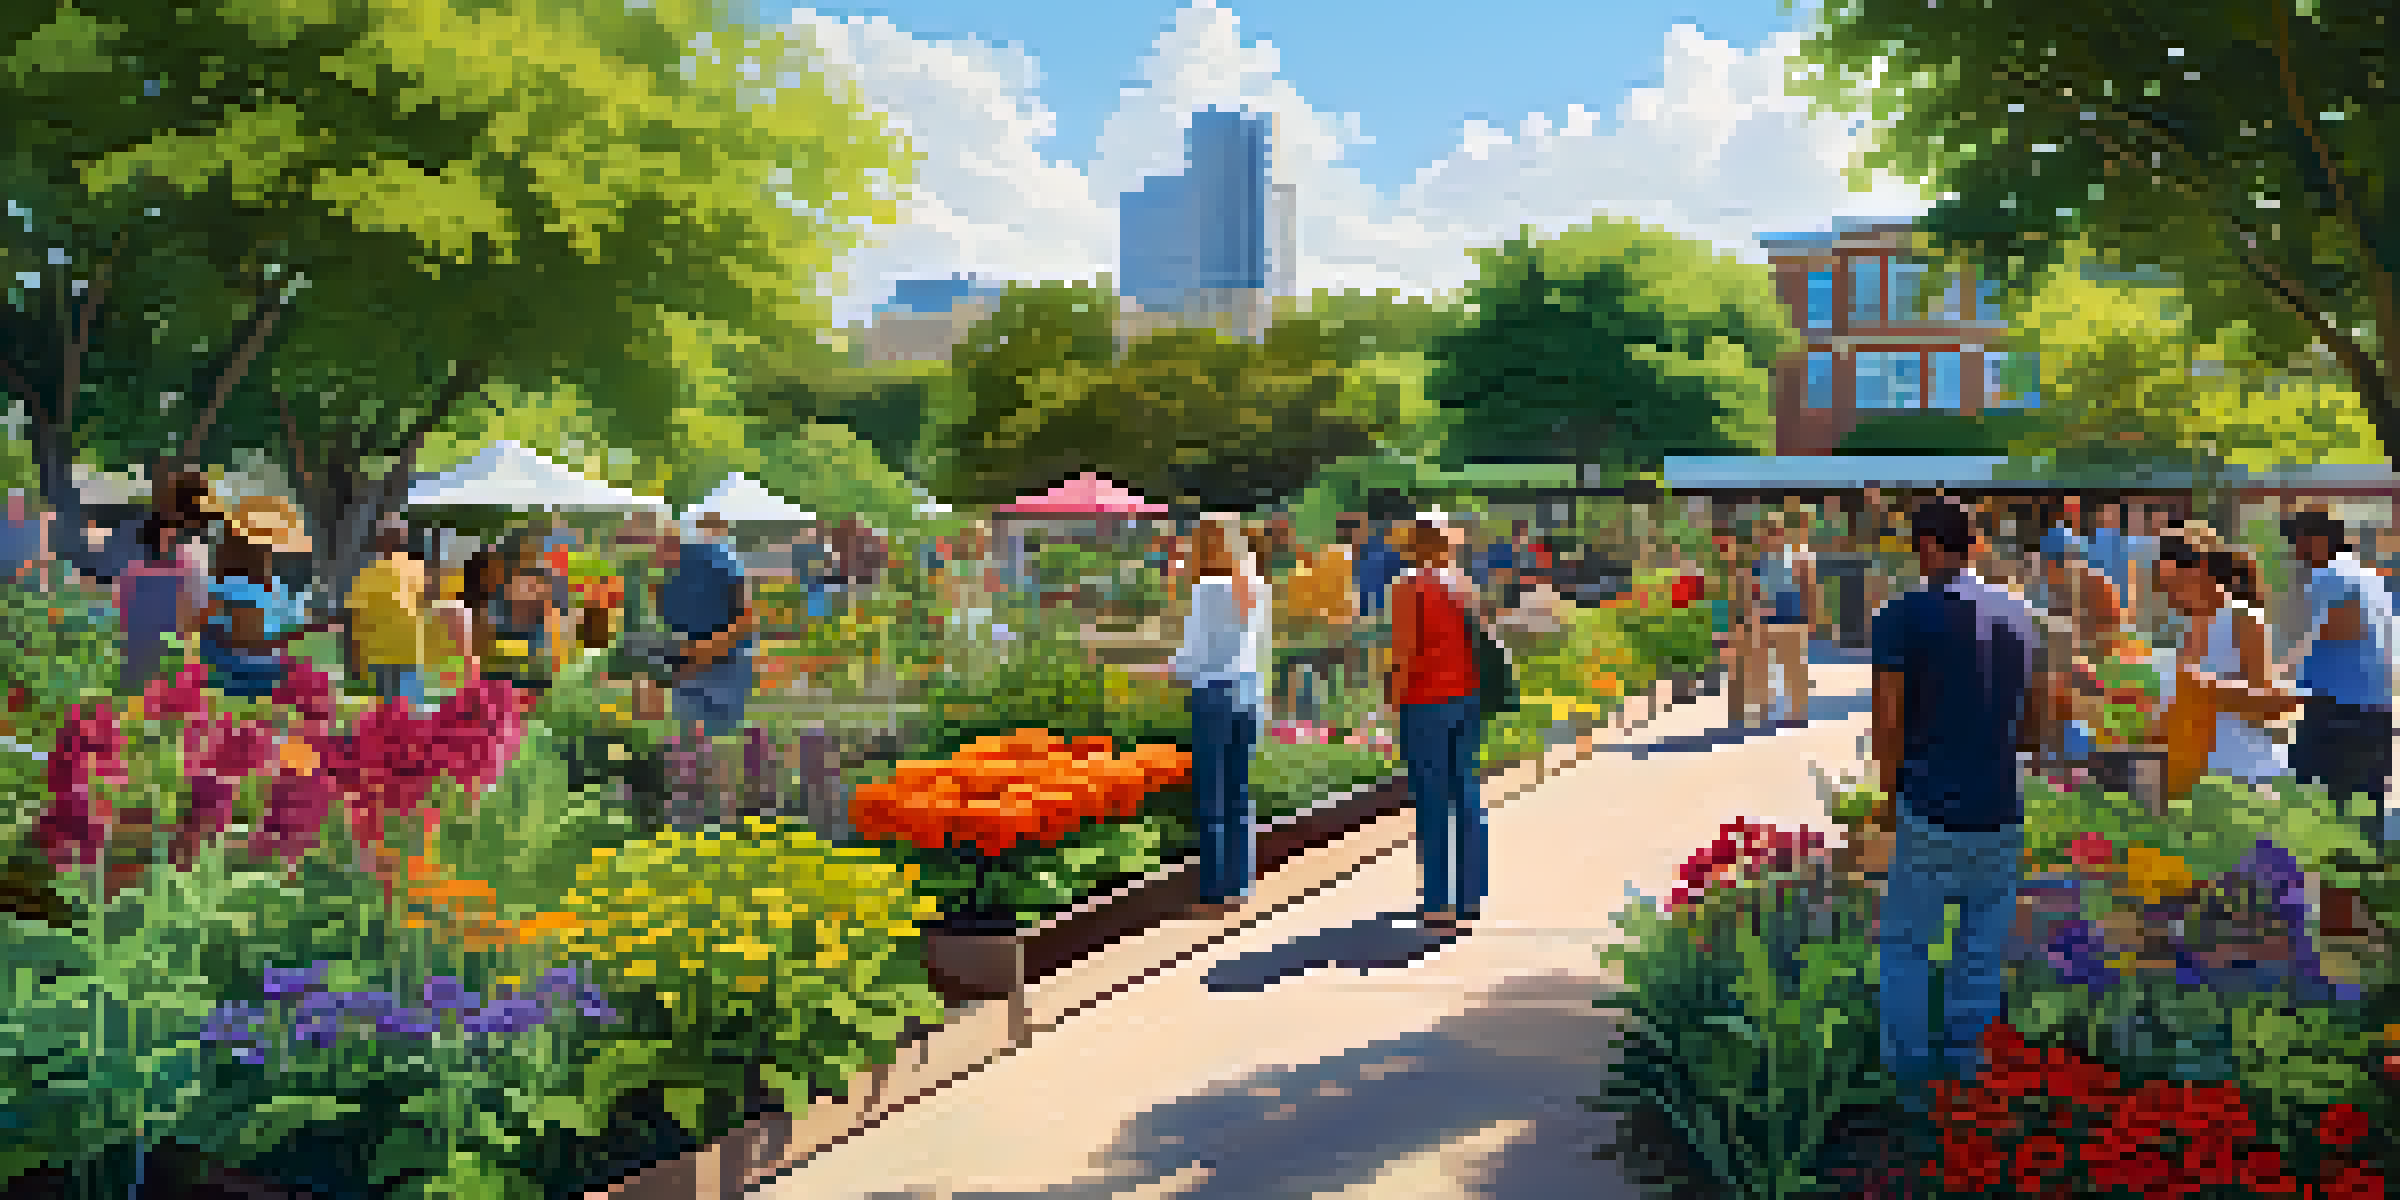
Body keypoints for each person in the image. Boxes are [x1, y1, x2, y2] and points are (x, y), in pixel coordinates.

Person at [1871, 496, 2045, 1109]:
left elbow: (1887, 723)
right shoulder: (2021, 615)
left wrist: (1886, 797)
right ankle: (1971, 1087)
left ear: (1923, 547)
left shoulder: (1902, 615)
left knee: (1906, 948)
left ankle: (1911, 1088)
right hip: (2000, 805)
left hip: (1928, 802)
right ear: (1972, 544)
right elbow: (2032, 729)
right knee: (1980, 952)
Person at [1387, 514, 1488, 933]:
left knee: (1431, 797)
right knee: (1465, 792)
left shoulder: (1408, 586)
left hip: (1426, 700)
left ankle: (1436, 901)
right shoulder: (1464, 585)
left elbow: (1406, 651)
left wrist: (1392, 699)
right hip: (1466, 696)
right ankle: (1470, 896)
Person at [1167, 515, 1270, 920]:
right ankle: (1240, 885)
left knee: (1211, 795)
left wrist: (1167, 669)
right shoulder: (1257, 586)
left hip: (1214, 694)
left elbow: (1195, 655)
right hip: (1249, 692)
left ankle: (1214, 891)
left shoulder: (1206, 589)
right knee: (1239, 793)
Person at [2151, 525, 2299, 797]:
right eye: (2164, 585)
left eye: (2174, 583)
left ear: (2202, 572)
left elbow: (2269, 708)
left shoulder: (2243, 620)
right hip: (2195, 783)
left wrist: (2209, 690)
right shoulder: (2183, 630)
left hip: (2244, 780)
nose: (2169, 595)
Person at [2280, 508, 2397, 839]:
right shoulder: (2369, 576)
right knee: (2363, 814)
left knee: (2310, 811)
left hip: (2335, 711)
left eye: (2295, 543)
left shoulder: (2327, 576)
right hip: (2376, 708)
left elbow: (2338, 629)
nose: (2293, 553)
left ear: (2315, 542)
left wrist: (2284, 672)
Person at [196, 496, 336, 699]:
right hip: (264, 671)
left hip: (221, 668)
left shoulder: (213, 586)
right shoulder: (274, 587)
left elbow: (204, 629)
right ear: (263, 553)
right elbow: (293, 627)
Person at [660, 511, 759, 740]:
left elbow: (744, 619)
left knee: (711, 743)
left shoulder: (719, 559)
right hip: (693, 664)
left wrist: (700, 654)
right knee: (692, 745)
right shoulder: (668, 572)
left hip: (721, 664)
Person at [348, 516, 431, 710]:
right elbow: (356, 618)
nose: (392, 541)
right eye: (388, 536)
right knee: (388, 712)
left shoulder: (415, 568)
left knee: (411, 710)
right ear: (379, 540)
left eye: (397, 535)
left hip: (410, 653)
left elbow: (427, 607)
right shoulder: (367, 573)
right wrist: (356, 657)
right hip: (380, 655)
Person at [1751, 512, 1818, 727]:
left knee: (1793, 669)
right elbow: (1753, 591)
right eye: (1766, 531)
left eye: (1773, 530)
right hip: (1765, 621)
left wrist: (1811, 617)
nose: (1769, 535)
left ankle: (1796, 713)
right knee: (1761, 668)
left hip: (1793, 619)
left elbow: (1808, 587)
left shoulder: (1796, 557)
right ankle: (1762, 711)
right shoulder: (1758, 561)